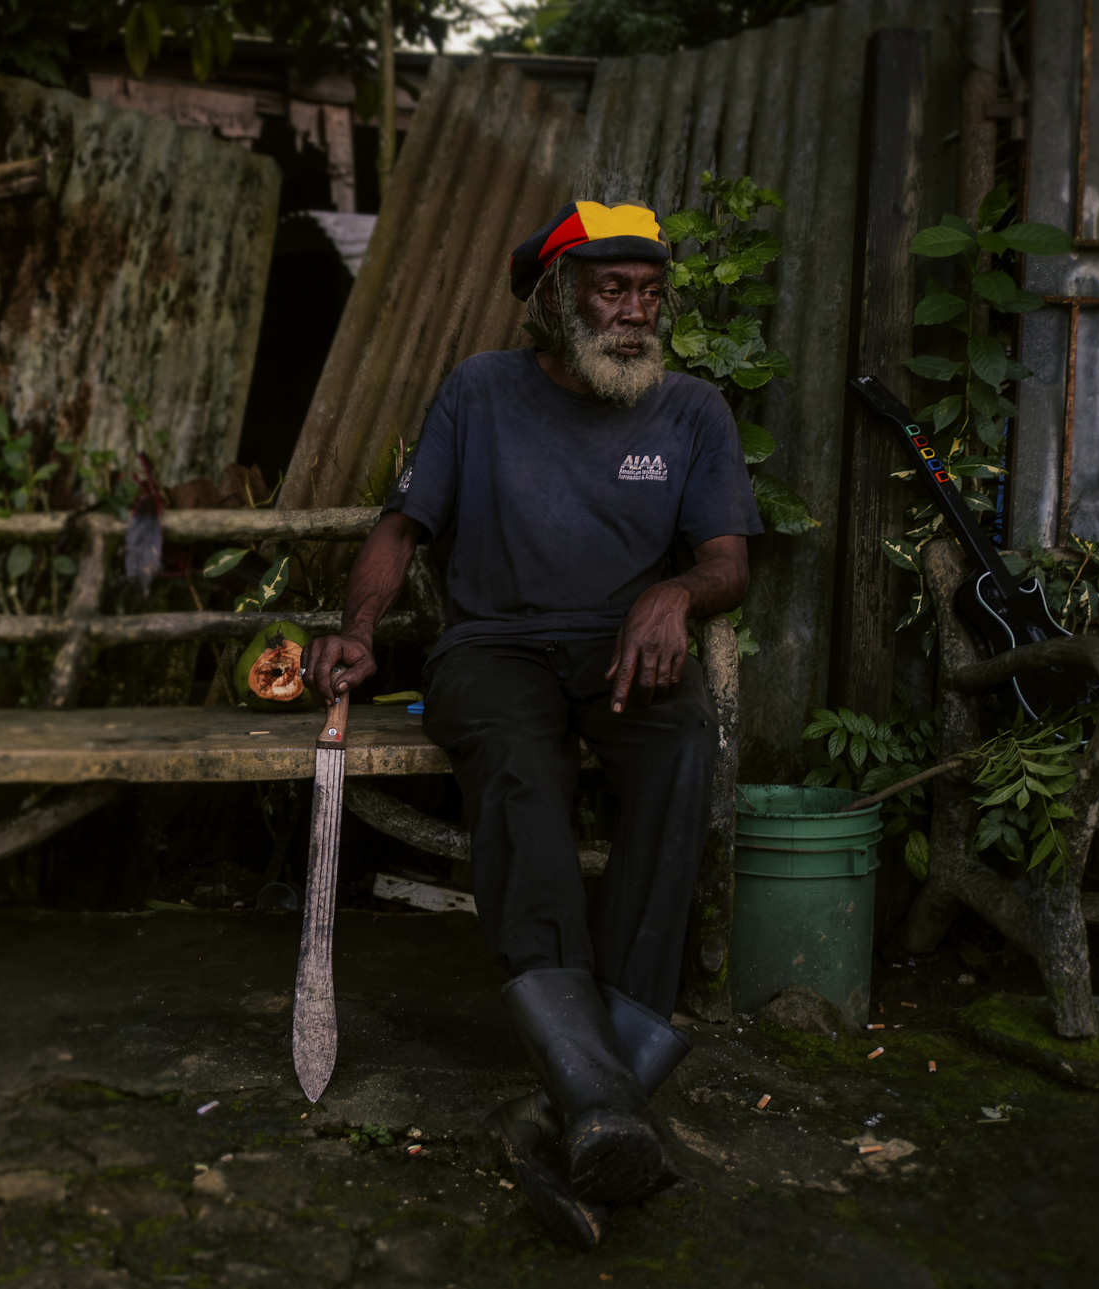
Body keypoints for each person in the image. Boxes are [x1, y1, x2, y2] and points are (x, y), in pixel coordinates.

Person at [305, 200, 762, 1248]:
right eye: (613, 290)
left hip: (623, 646)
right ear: (557, 299)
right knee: (517, 765)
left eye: (650, 293)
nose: (636, 313)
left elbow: (728, 560)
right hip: (496, 646)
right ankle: (601, 1091)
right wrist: (361, 628)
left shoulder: (692, 411)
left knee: (683, 746)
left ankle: (569, 1099)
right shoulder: (482, 390)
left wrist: (676, 596)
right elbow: (401, 525)